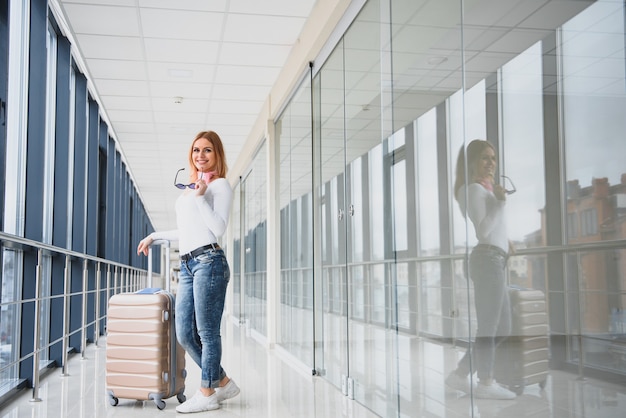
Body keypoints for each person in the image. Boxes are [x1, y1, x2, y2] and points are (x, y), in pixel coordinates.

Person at [137, 130, 240, 413]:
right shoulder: (192, 187)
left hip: (209, 261)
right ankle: (222, 380)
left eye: (207, 150)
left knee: (207, 333)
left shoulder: (220, 186)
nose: (200, 156)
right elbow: (186, 231)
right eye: (196, 150)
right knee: (184, 333)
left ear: (217, 154)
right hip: (186, 264)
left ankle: (207, 391)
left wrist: (200, 198)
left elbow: (217, 228)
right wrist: (154, 236)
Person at [445, 139, 516, 400]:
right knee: (489, 326)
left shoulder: (484, 189)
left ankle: (460, 374)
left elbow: (492, 228)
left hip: (496, 260)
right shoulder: (473, 189)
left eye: (493, 158)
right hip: (487, 261)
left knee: (503, 328)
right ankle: (486, 382)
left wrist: (506, 242)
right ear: (473, 162)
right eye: (485, 158)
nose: (491, 163)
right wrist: (499, 202)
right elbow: (482, 230)